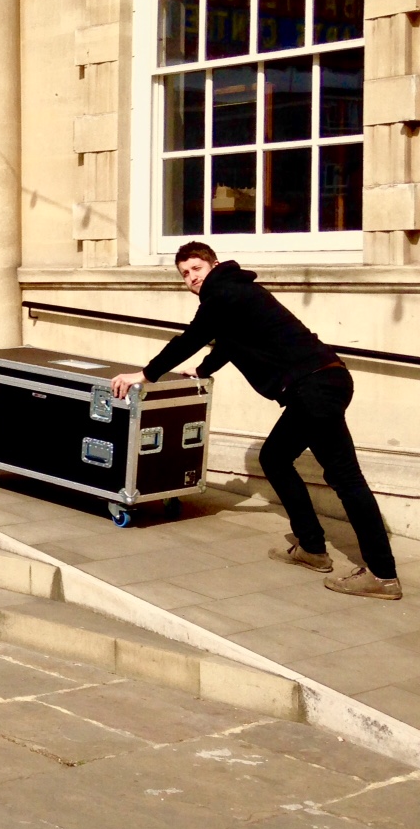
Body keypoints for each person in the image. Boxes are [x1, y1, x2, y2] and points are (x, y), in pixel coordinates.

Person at [112, 241, 400, 600]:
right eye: (184, 274)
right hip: (321, 382)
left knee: (345, 478)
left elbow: (190, 338)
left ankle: (382, 574)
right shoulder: (238, 293)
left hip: (315, 387)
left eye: (196, 269)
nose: (191, 279)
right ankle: (312, 547)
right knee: (275, 459)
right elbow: (232, 343)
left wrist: (144, 375)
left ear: (213, 265)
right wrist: (202, 369)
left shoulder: (222, 292)